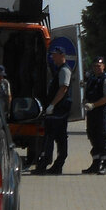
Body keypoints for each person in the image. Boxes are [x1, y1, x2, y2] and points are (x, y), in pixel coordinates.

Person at [32, 46, 72, 175]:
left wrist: (52, 105)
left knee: (51, 137)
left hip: (59, 111)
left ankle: (47, 164)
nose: (52, 57)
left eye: (55, 55)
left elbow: (63, 89)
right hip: (57, 110)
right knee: (58, 138)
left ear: (61, 55)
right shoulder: (59, 69)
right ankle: (54, 165)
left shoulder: (64, 70)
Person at [81, 56, 106, 175]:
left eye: (99, 66)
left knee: (103, 138)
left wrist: (94, 105)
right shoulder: (92, 79)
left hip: (101, 112)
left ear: (103, 66)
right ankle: (95, 164)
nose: (97, 68)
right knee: (93, 137)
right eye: (95, 66)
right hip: (92, 113)